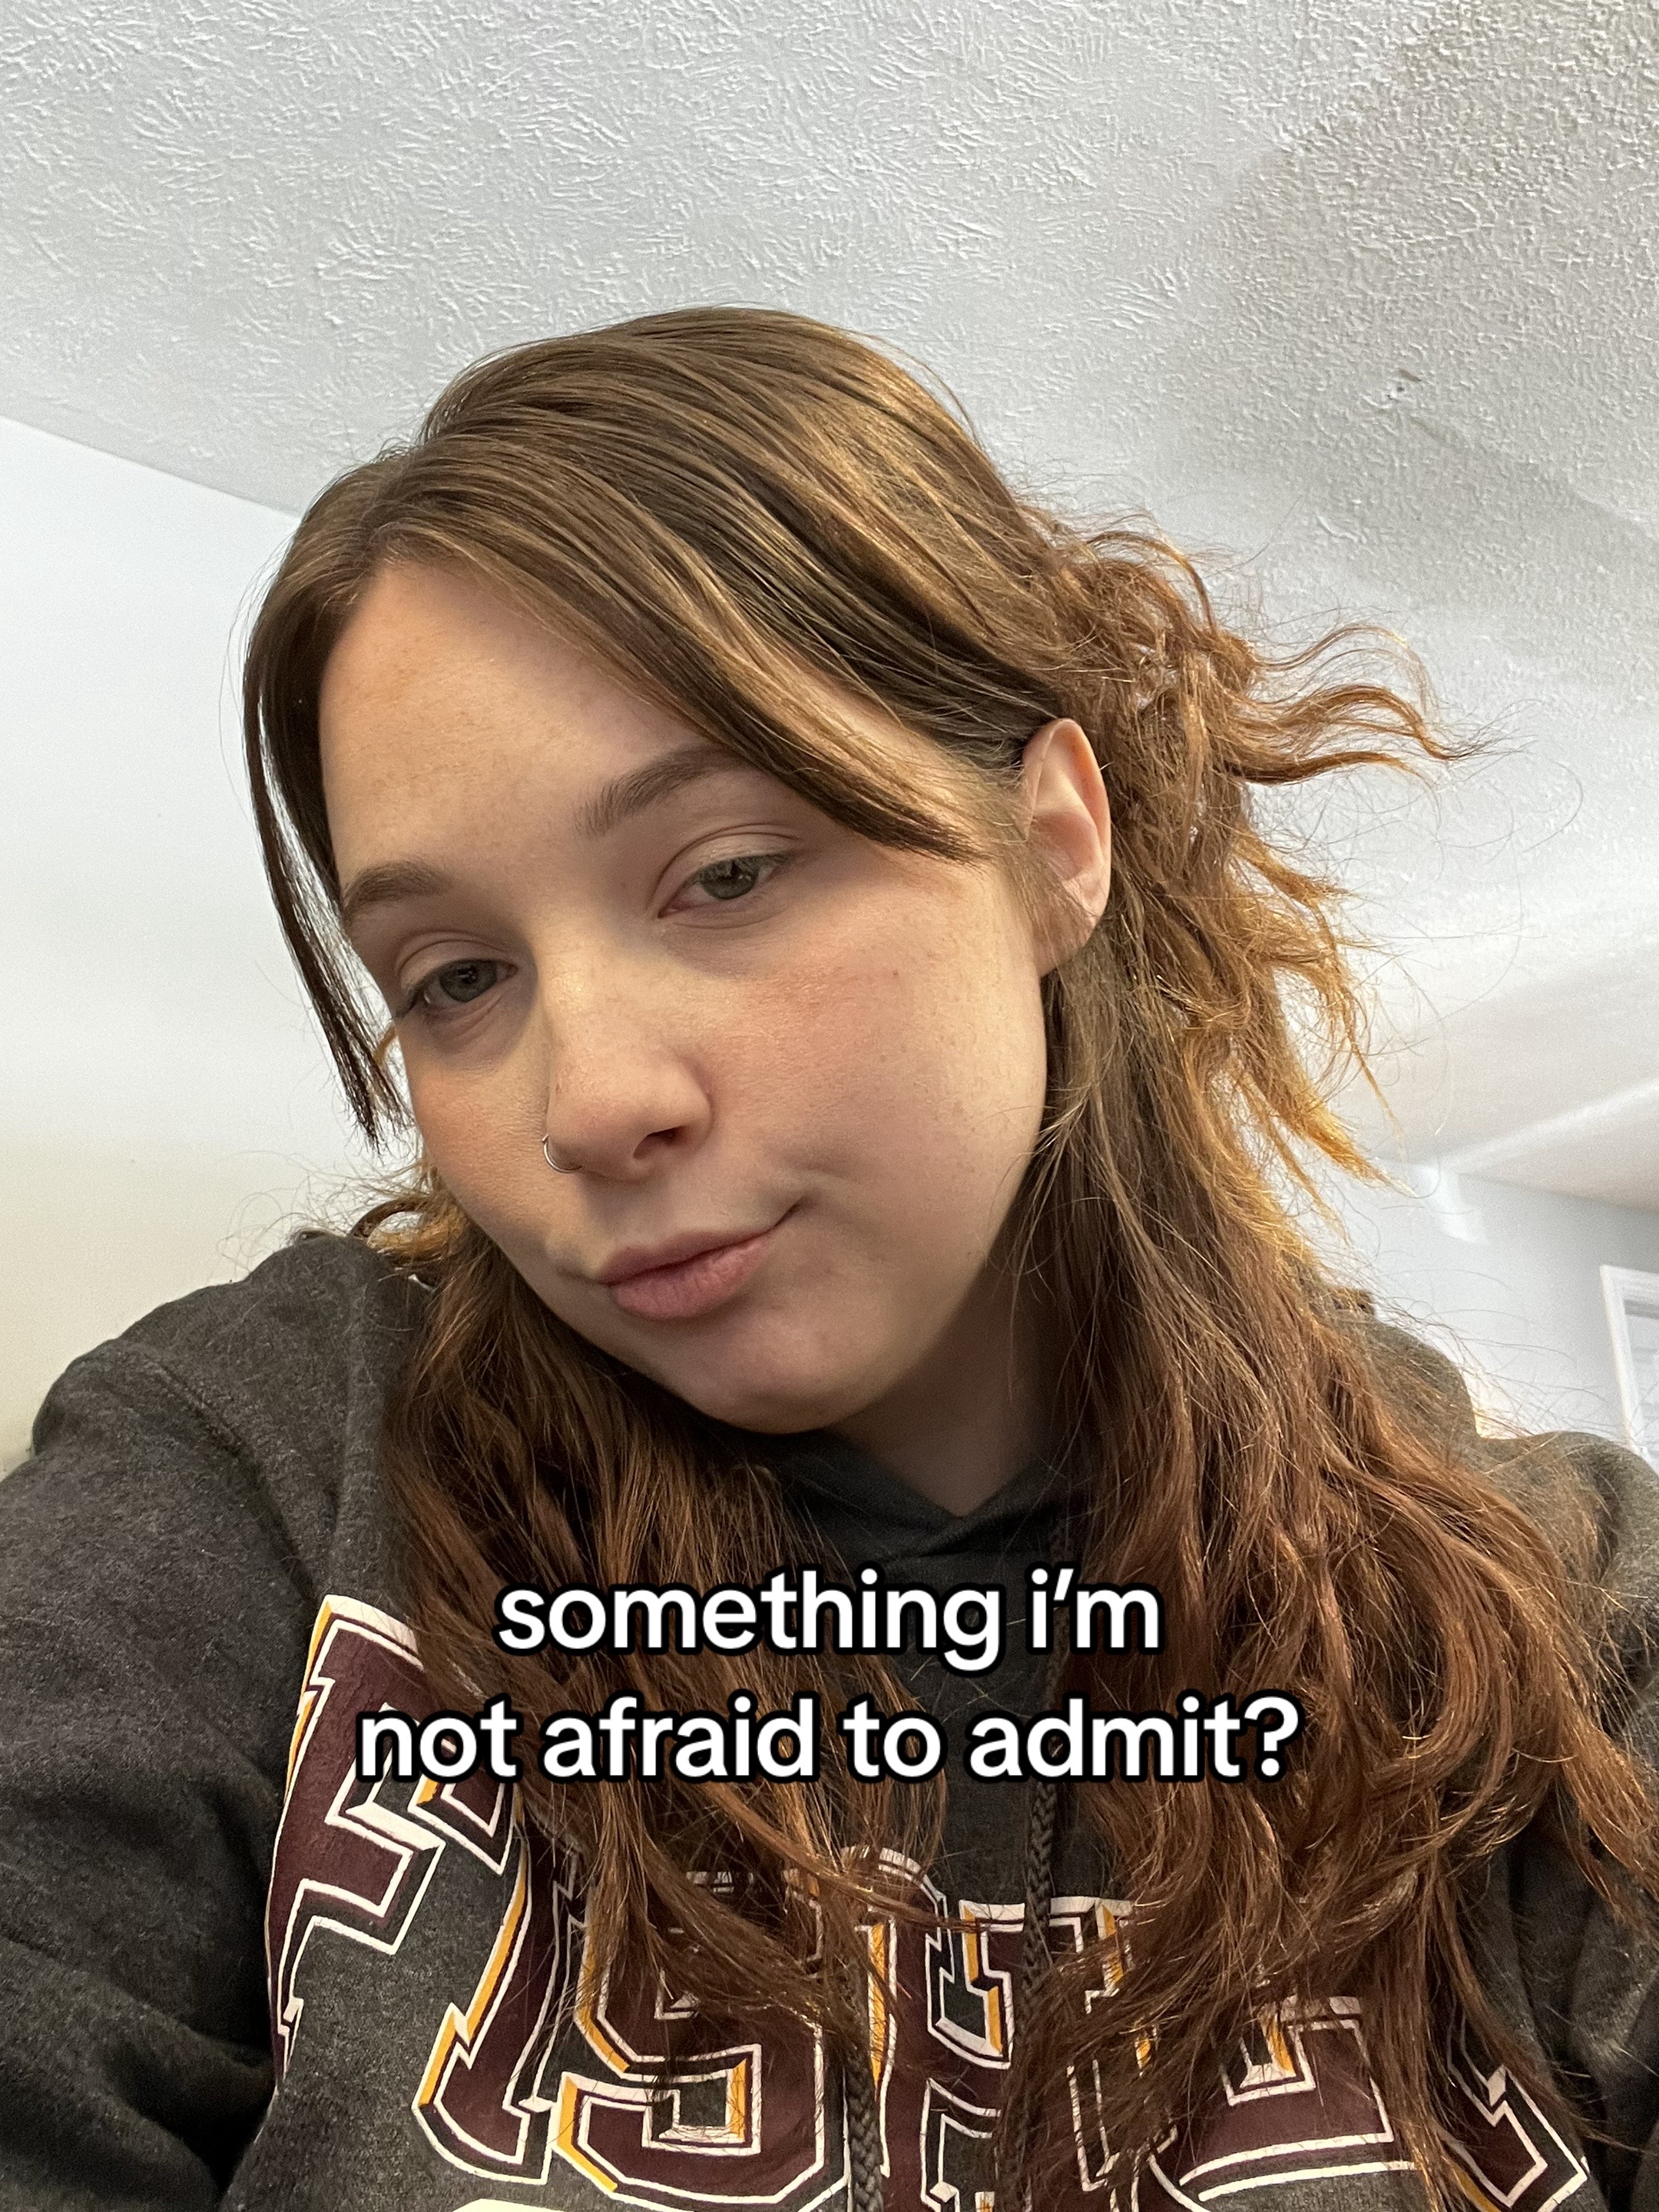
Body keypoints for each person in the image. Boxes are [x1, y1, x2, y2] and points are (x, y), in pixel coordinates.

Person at [3, 306, 1658, 2212]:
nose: (591, 1102)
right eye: (456, 979)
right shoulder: (266, 1474)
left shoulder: (1559, 1608)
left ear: (1051, 843)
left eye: (727, 873)